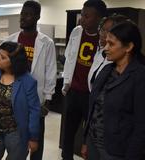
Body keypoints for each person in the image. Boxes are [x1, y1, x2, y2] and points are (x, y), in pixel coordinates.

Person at [0, 1, 57, 159]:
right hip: (15, 97)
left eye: (28, 14)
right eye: (22, 14)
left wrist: (48, 98)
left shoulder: (46, 43)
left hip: (35, 98)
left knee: (34, 141)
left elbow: (51, 71)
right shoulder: (12, 39)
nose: (23, 17)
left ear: (37, 17)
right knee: (17, 137)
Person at [83, 21, 145, 160]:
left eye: (111, 44)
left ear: (128, 47)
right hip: (94, 143)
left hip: (117, 151)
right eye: (106, 43)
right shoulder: (106, 70)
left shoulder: (139, 77)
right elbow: (93, 108)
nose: (105, 48)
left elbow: (141, 125)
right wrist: (86, 140)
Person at [61, 1, 107, 160]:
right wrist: (67, 83)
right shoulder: (76, 31)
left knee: (90, 135)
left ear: (99, 18)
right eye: (82, 14)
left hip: (91, 95)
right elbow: (69, 57)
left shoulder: (105, 39)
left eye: (87, 16)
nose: (82, 19)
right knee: (68, 132)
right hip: (74, 91)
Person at [87, 14, 129, 91]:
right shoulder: (101, 51)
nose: (102, 34)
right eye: (102, 29)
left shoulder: (131, 69)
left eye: (108, 31)